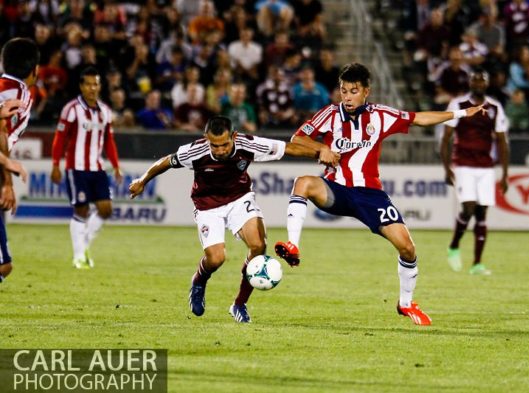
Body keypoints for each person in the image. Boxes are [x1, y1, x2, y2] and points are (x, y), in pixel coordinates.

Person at [274, 62, 485, 326]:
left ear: (366, 92)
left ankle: (406, 304)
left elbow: (419, 118)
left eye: (353, 91)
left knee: (407, 248)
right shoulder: (329, 114)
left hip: (371, 195)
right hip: (336, 189)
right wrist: (320, 149)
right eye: (343, 91)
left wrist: (462, 114)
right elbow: (297, 139)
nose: (347, 96)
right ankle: (293, 245)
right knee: (303, 182)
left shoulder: (380, 115)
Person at [128, 115, 339, 323]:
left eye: (224, 145)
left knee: (258, 246)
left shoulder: (248, 145)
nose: (219, 150)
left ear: (234, 136)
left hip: (240, 199)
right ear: (206, 138)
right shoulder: (195, 151)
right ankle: (199, 280)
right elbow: (167, 161)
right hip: (207, 206)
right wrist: (143, 180)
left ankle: (239, 304)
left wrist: (319, 151)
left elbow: (287, 148)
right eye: (215, 145)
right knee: (216, 259)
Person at [51, 66, 123, 269]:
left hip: (97, 168)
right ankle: (79, 257)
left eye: (96, 84)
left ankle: (83, 246)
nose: (92, 88)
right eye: (88, 84)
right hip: (76, 167)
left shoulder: (105, 112)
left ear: (100, 86)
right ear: (81, 86)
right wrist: (56, 164)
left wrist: (116, 165)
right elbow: (60, 138)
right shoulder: (71, 109)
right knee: (81, 210)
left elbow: (109, 140)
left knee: (106, 210)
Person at [441, 69, 509, 276]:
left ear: (487, 84)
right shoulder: (458, 105)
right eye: (475, 79)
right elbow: (446, 139)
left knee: (482, 214)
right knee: (468, 208)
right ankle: (453, 246)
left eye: (482, 80)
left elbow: (502, 141)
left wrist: (505, 174)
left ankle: (477, 264)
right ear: (469, 82)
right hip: (463, 164)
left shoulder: (495, 108)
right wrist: (447, 168)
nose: (478, 83)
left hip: (486, 167)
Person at [0, 37, 40, 284]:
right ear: (34, 70)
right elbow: (1, 129)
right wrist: (7, 182)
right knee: (3, 265)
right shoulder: (19, 93)